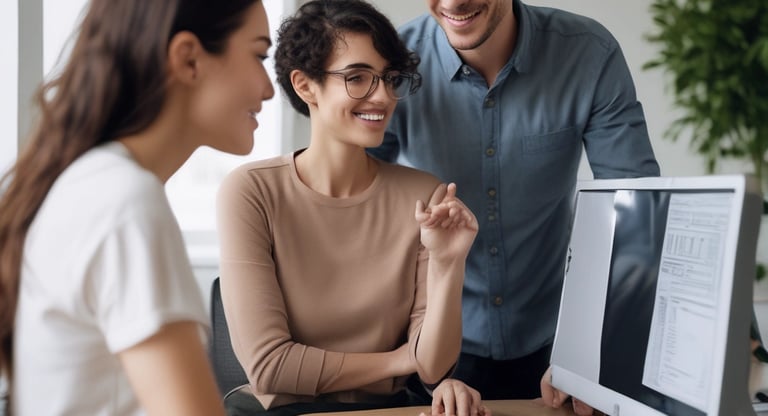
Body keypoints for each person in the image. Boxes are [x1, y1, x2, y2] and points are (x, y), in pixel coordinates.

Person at [367, 0, 661, 406]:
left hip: (556, 348)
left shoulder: (588, 53)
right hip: (430, 349)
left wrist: (598, 352)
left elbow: (636, 214)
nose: (453, 3)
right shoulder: (391, 63)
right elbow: (352, 206)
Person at [0, 0, 275, 414]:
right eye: (258, 55)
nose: (269, 88)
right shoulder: (125, 201)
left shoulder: (94, 183)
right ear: (188, 59)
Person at [216, 1, 488, 415]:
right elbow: (270, 367)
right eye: (358, 77)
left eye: (388, 78)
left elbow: (432, 366)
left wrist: (449, 264)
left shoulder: (426, 196)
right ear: (305, 85)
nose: (382, 96)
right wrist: (400, 361)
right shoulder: (251, 192)